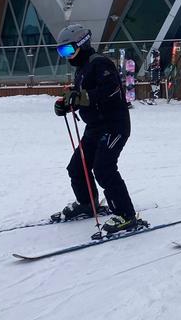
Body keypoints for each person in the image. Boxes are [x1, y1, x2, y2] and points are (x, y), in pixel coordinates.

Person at [53, 25, 138, 233]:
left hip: (114, 125)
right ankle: (87, 203)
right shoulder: (82, 69)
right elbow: (81, 93)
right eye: (61, 52)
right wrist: (66, 102)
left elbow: (109, 90)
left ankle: (126, 215)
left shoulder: (100, 63)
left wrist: (81, 97)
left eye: (69, 51)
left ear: (82, 45)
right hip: (94, 127)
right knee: (77, 167)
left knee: (103, 168)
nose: (66, 56)